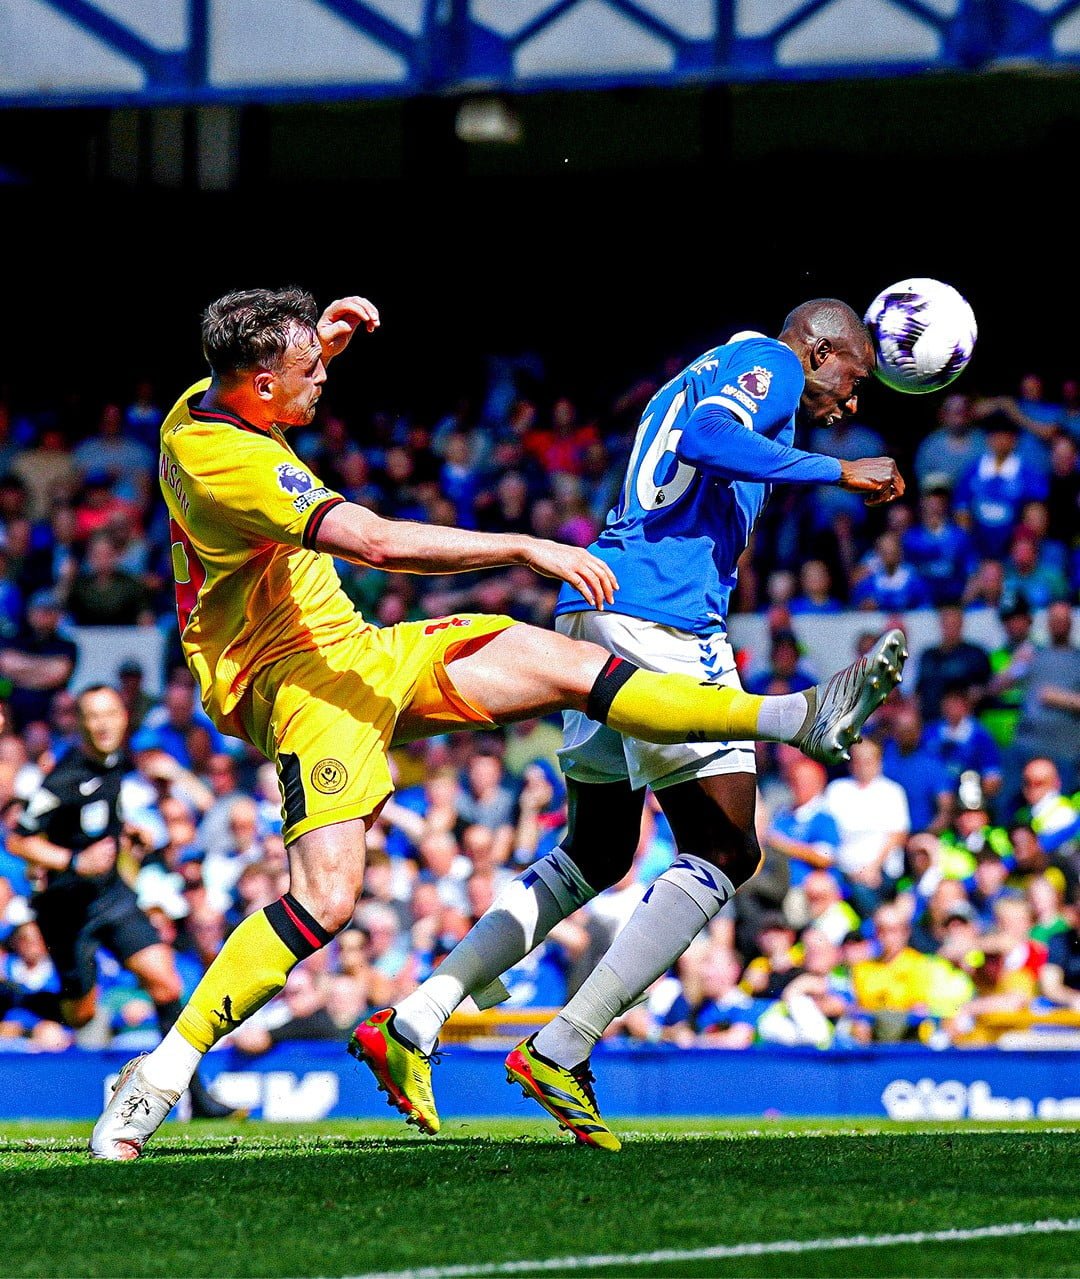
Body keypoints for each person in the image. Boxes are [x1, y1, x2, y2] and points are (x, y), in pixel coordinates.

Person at [91, 287, 905, 1160]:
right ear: (257, 387)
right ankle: (159, 1075)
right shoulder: (227, 462)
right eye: (304, 373)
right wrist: (525, 544)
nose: (320, 382)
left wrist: (317, 341)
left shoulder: (200, 402)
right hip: (298, 680)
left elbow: (261, 382)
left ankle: (794, 716)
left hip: (364, 647)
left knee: (572, 682)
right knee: (326, 899)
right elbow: (375, 542)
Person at [349, 297, 907, 1151]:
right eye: (853, 378)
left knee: (600, 849)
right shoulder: (773, 365)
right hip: (661, 617)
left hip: (600, 607)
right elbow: (708, 443)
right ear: (821, 348)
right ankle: (561, 1046)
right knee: (726, 849)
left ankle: (417, 1017)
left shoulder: (717, 368)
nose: (851, 402)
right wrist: (838, 472)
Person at [0, 685, 234, 1119]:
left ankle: (197, 1097)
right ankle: (15, 996)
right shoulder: (65, 776)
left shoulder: (116, 763)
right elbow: (19, 839)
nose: (104, 723)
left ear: (124, 718)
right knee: (79, 1015)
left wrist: (126, 832)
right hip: (68, 912)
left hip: (113, 897)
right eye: (94, 716)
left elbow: (100, 814)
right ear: (81, 723)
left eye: (111, 714)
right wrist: (74, 859)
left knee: (166, 983)